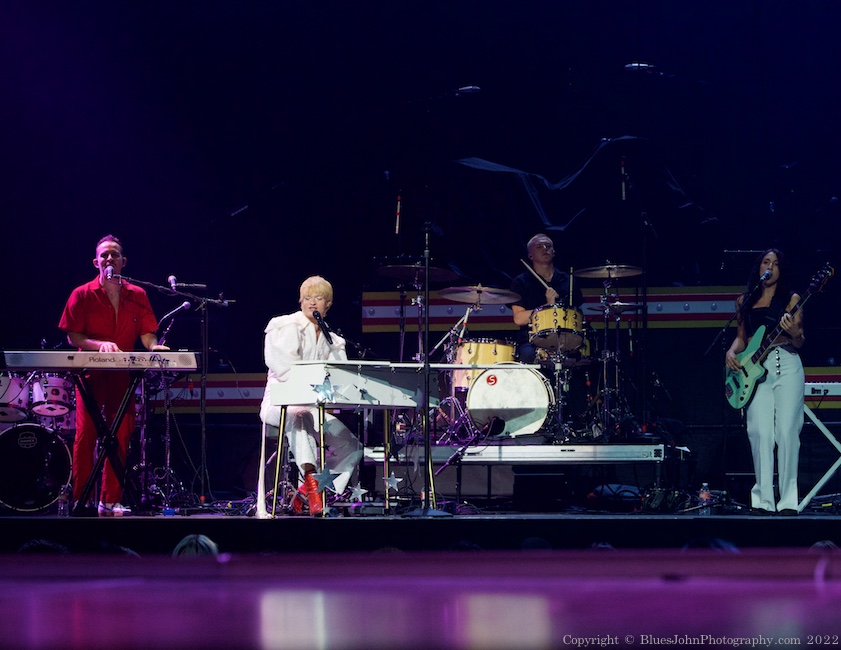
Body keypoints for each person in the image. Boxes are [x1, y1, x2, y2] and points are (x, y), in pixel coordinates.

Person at [59, 234, 168, 517]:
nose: (110, 259)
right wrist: (99, 345)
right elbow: (74, 336)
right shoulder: (81, 294)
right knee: (86, 435)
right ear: (96, 262)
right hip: (90, 374)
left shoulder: (138, 294)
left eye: (115, 255)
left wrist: (154, 346)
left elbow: (146, 333)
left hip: (122, 375)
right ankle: (81, 499)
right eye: (104, 255)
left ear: (123, 262)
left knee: (121, 433)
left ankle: (109, 500)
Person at [259, 275, 363, 515]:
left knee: (352, 446)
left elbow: (339, 377)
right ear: (300, 300)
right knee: (300, 415)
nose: (312, 303)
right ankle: (313, 484)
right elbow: (284, 368)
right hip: (280, 405)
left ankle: (307, 490)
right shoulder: (285, 325)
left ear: (329, 304)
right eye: (307, 297)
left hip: (312, 408)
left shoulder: (333, 339)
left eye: (319, 298)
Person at [725, 248, 805, 516]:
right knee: (759, 433)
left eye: (776, 263)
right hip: (754, 370)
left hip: (786, 365)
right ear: (758, 267)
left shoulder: (790, 299)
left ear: (782, 271)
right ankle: (763, 501)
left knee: (786, 432)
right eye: (765, 262)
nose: (770, 266)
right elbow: (742, 337)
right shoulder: (744, 301)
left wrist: (794, 333)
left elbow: (799, 340)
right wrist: (731, 351)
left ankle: (788, 502)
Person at [510, 233, 584, 365]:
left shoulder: (568, 280)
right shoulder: (521, 282)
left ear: (554, 252)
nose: (545, 248)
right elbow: (519, 318)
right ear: (530, 255)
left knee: (583, 357)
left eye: (548, 246)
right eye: (539, 246)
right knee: (527, 355)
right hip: (531, 340)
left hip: (566, 338)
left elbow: (577, 314)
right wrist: (548, 306)